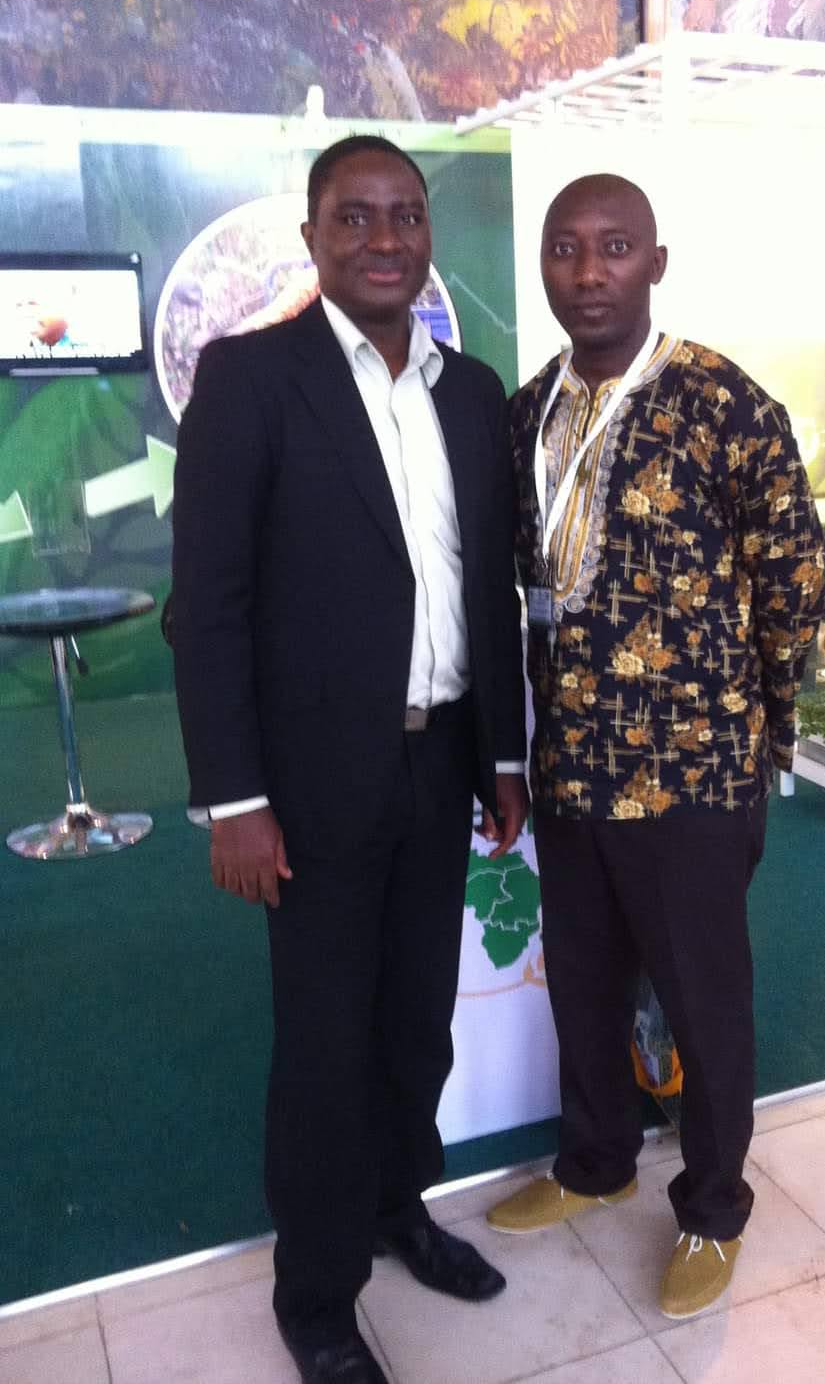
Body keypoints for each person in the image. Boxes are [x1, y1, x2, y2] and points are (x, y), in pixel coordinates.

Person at [171, 135, 528, 1384]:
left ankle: (395, 1207)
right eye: (356, 216)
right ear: (314, 238)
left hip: (442, 765)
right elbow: (209, 606)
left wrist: (503, 756)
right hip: (310, 786)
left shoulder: (470, 390)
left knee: (414, 1025)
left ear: (429, 235)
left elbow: (486, 587)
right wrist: (235, 799)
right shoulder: (250, 379)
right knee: (325, 1045)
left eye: (406, 216)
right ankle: (317, 1298)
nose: (385, 239)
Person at [486, 174, 824, 1320]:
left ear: (657, 263)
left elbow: (793, 572)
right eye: (567, 248)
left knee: (704, 1002)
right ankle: (596, 1162)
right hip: (573, 765)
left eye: (616, 246)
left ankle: (714, 1206)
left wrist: (763, 719)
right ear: (544, 263)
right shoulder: (527, 412)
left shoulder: (724, 403)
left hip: (693, 775)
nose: (589, 272)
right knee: (583, 985)